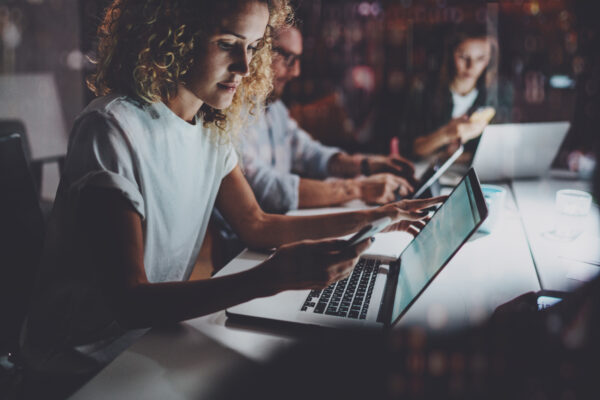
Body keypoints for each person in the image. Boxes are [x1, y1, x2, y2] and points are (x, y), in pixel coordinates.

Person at [20, 1, 442, 398]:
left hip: (150, 340)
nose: (244, 66)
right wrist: (267, 280)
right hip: (77, 370)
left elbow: (257, 224)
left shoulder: (208, 130)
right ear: (173, 37)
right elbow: (130, 299)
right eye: (227, 44)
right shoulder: (110, 127)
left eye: (254, 47)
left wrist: (376, 216)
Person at [241, 26, 418, 214]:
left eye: (298, 60)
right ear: (257, 50)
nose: (295, 72)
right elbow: (266, 190)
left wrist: (366, 164)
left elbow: (310, 153)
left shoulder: (274, 108)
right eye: (287, 57)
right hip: (241, 242)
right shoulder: (232, 113)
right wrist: (358, 189)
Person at [398, 23, 512, 159]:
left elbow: (503, 149)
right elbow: (411, 149)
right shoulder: (424, 89)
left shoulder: (499, 93)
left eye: (480, 59)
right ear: (450, 55)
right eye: (463, 57)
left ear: (490, 60)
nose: (471, 66)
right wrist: (447, 133)